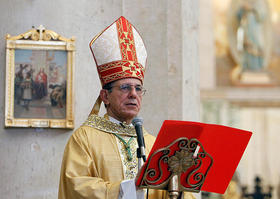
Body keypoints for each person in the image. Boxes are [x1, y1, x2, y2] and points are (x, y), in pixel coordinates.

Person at [58, 16, 195, 199]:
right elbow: (76, 187)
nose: (133, 94)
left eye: (138, 88)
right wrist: (127, 188)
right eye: (125, 87)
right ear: (105, 96)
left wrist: (179, 187)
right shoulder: (84, 139)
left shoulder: (154, 144)